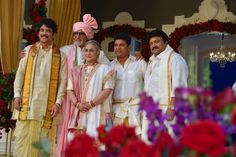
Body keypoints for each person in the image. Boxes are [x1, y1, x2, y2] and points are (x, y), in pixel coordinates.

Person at [12, 18, 67, 157]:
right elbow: (20, 75)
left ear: (54, 34)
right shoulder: (29, 50)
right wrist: (17, 95)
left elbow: (63, 81)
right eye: (42, 30)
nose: (44, 33)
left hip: (46, 108)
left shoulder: (61, 56)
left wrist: (58, 103)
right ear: (38, 33)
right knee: (23, 140)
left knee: (43, 143)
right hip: (27, 105)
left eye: (48, 31)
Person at [57, 40, 115, 157]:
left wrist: (91, 104)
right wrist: (78, 104)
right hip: (79, 112)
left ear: (98, 53)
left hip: (98, 112)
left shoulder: (105, 69)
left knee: (96, 144)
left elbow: (107, 90)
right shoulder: (75, 70)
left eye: (92, 50)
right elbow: (69, 89)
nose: (88, 53)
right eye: (86, 50)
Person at [141, 29, 188, 141]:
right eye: (151, 43)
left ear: (166, 42)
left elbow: (179, 86)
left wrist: (172, 108)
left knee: (168, 143)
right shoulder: (152, 62)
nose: (154, 45)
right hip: (152, 110)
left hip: (168, 110)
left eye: (157, 41)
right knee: (150, 143)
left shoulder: (175, 59)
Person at [110, 33, 147, 135]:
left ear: (129, 47)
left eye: (122, 45)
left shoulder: (139, 63)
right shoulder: (109, 66)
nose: (118, 48)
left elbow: (149, 84)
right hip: (116, 112)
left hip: (136, 110)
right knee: (117, 145)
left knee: (135, 145)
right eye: (116, 45)